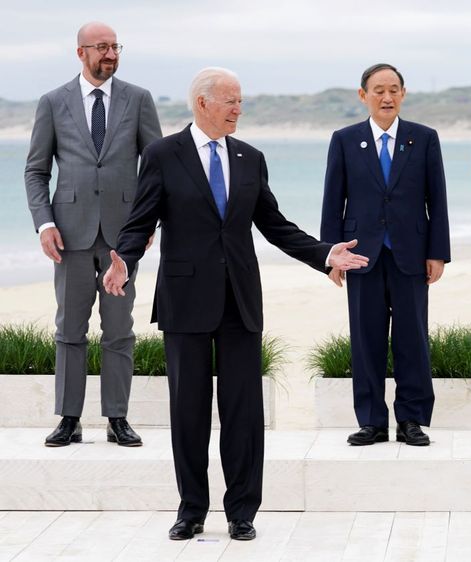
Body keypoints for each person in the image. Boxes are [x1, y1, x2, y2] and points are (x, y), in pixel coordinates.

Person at [102, 67, 369, 541]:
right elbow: (140, 220)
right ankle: (191, 510)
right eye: (231, 100)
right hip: (185, 299)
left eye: (240, 101)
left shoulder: (250, 157)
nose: (238, 109)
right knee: (189, 409)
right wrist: (123, 257)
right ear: (202, 103)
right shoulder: (164, 155)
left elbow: (274, 223)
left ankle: (242, 511)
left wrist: (325, 253)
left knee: (243, 411)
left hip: (240, 299)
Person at [24, 21, 162, 447]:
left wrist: (147, 223)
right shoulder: (52, 102)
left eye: (115, 46)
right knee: (69, 328)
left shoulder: (139, 99)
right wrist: (45, 223)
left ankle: (117, 418)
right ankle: (69, 418)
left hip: (123, 237)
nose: (111, 54)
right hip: (70, 235)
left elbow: (154, 167)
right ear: (80, 52)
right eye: (102, 47)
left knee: (119, 329)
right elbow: (36, 170)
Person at [320, 63, 450, 447]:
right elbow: (333, 200)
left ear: (403, 94)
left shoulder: (424, 139)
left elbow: (437, 199)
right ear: (363, 95)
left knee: (412, 340)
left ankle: (411, 419)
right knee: (366, 340)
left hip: (411, 254)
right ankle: (372, 421)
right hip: (361, 255)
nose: (387, 97)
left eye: (394, 89)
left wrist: (438, 253)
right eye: (378, 90)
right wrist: (330, 255)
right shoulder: (344, 140)